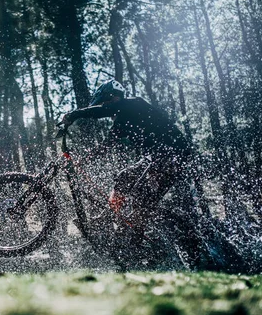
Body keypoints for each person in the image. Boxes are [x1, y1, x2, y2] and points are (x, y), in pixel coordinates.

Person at [60, 79, 192, 235]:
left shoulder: (134, 104)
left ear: (115, 97)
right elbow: (106, 145)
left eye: (105, 103)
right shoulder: (122, 122)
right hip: (156, 157)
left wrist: (74, 114)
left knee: (142, 199)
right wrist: (84, 161)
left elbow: (101, 111)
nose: (106, 110)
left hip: (173, 155)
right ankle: (111, 220)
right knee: (125, 178)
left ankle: (138, 237)